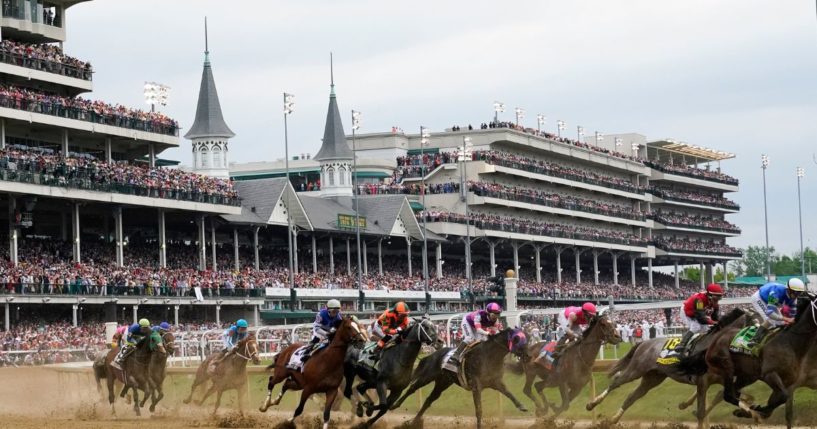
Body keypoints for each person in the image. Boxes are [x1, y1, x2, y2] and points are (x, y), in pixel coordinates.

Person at [748, 278, 805, 348]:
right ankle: (754, 339)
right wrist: (786, 319)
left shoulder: (794, 299)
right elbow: (770, 313)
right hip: (759, 298)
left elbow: (793, 315)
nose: (797, 295)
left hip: (773, 302)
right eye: (796, 292)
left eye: (800, 292)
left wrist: (791, 320)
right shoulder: (776, 292)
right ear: (789, 290)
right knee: (771, 320)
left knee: (781, 323)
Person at [674, 283, 723, 355]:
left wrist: (719, 323)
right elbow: (701, 319)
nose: (716, 301)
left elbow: (715, 317)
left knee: (706, 330)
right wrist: (713, 322)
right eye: (715, 299)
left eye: (719, 298)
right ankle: (681, 344)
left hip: (697, 314)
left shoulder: (715, 304)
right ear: (709, 295)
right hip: (686, 312)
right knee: (696, 327)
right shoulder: (699, 300)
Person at [449, 302, 503, 366]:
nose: (496, 317)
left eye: (498, 314)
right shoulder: (479, 315)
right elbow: (478, 329)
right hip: (467, 322)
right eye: (494, 315)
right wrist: (487, 333)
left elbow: (495, 333)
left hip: (476, 326)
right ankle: (456, 355)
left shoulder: (496, 321)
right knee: (469, 339)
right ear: (488, 313)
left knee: (483, 340)